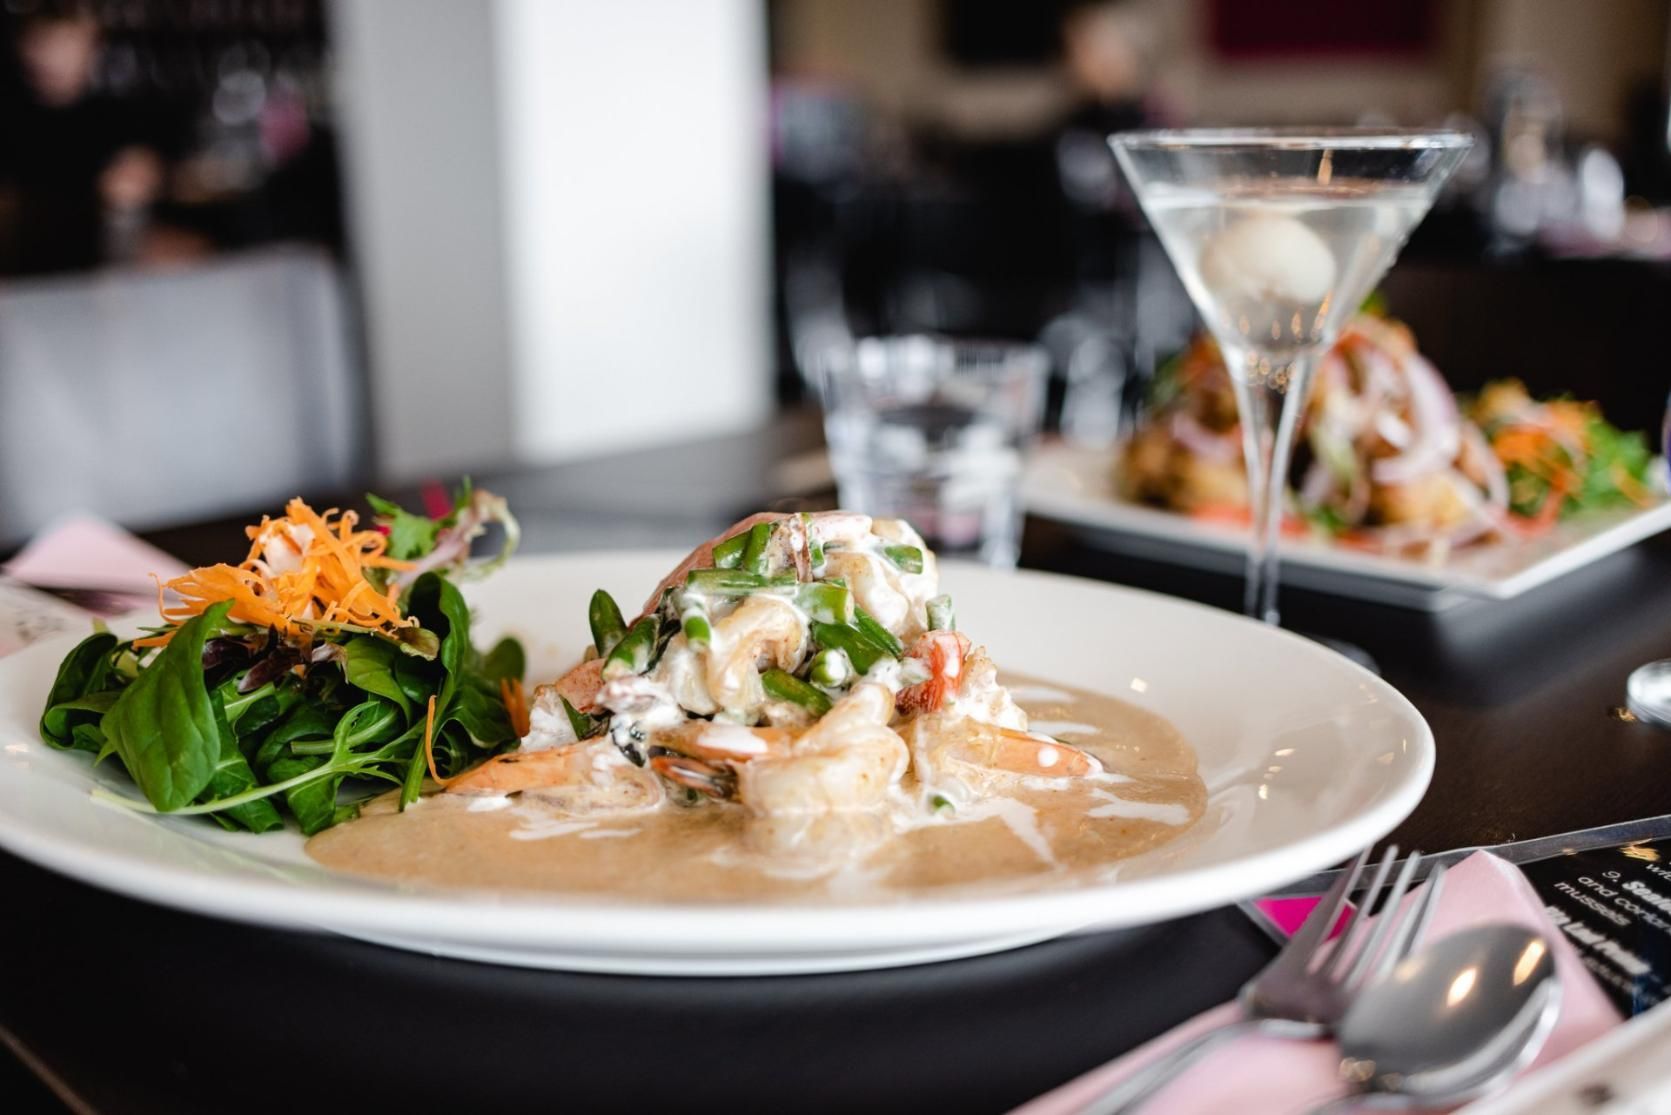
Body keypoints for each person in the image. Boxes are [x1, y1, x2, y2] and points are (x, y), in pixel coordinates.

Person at [0, 6, 179, 275]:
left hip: (97, 287)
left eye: (67, 40)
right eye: (42, 41)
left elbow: (152, 197)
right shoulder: (11, 118)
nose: (52, 56)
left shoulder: (119, 120)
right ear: (22, 46)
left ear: (94, 42)